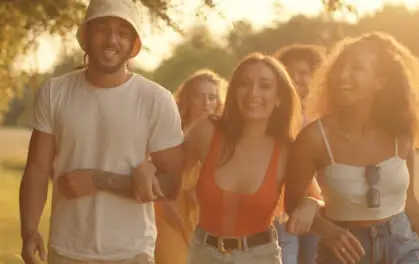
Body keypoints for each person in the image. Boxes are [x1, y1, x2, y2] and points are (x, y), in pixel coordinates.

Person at [19, 0, 184, 263]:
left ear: (134, 45)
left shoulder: (155, 100)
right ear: (85, 36)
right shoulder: (55, 92)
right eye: (102, 29)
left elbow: (172, 184)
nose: (111, 40)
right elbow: (37, 168)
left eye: (122, 32)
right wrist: (29, 231)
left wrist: (99, 180)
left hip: (132, 253)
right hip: (66, 250)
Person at [284, 32, 419, 264]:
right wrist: (329, 231)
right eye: (341, 68)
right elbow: (292, 203)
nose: (343, 75)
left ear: (380, 82)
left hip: (400, 246)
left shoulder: (400, 133)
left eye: (357, 69)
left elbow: (409, 201)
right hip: (345, 253)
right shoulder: (314, 138)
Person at [183, 52, 320, 264]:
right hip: (203, 255)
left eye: (265, 86)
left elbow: (320, 198)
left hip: (260, 257)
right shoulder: (206, 132)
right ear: (234, 91)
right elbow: (164, 170)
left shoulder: (288, 151)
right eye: (244, 84)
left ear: (279, 98)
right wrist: (146, 167)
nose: (253, 93)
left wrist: (312, 203)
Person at [154, 69, 227, 264]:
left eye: (212, 97)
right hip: (169, 206)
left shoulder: (222, 135)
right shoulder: (171, 128)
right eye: (200, 96)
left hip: (204, 210)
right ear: (187, 99)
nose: (206, 104)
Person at [274, 44, 325, 264]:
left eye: (303, 73)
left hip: (322, 211)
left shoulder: (324, 119)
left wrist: (315, 202)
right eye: (289, 72)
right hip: (281, 211)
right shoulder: (274, 116)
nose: (296, 77)